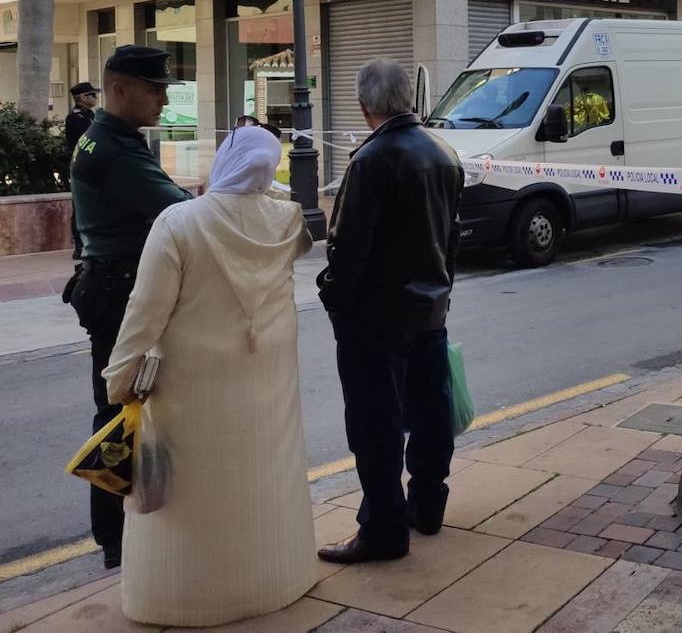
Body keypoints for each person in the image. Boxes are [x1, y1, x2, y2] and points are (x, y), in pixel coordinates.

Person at [103, 126, 317, 626]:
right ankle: (277, 578)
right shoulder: (286, 219)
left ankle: (185, 600)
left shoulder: (178, 223)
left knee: (192, 495)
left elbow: (145, 314)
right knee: (266, 476)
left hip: (191, 386)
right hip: (268, 375)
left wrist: (119, 379)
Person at [317, 58, 463, 564]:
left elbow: (348, 251)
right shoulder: (444, 153)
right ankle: (427, 506)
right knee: (430, 412)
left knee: (375, 424)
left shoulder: (370, 161)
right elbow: (451, 238)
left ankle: (382, 528)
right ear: (408, 99)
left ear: (365, 106)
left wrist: (332, 297)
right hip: (430, 310)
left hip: (377, 317)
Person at [66, 46, 192, 569]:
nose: (163, 98)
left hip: (111, 285)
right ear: (119, 89)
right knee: (123, 414)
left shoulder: (110, 140)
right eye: (154, 88)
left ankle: (119, 536)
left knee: (120, 410)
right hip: (117, 290)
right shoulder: (114, 151)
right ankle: (118, 544)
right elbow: (181, 210)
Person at [64, 82, 100, 258]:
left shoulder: (90, 114)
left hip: (92, 166)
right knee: (79, 206)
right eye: (92, 95)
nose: (96, 98)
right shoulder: (75, 117)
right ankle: (79, 246)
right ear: (83, 98)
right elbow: (83, 142)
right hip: (81, 166)